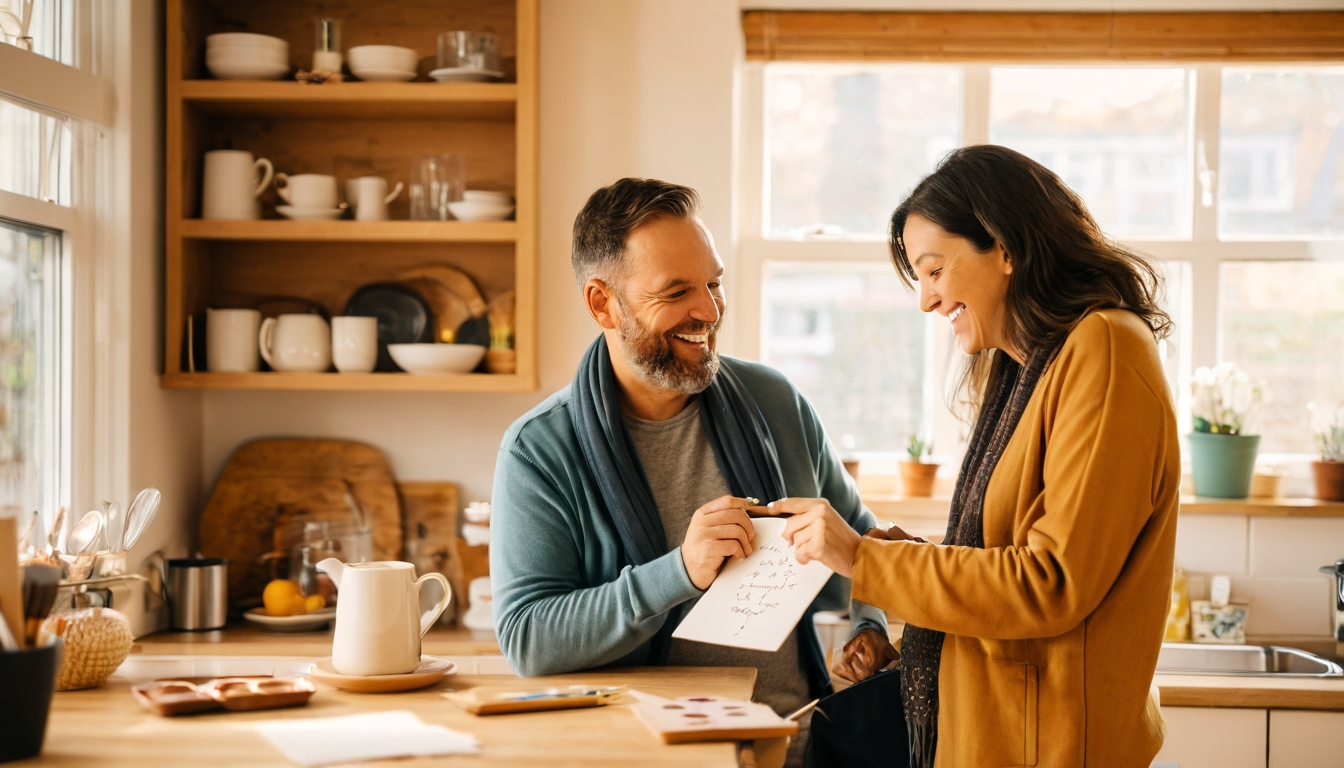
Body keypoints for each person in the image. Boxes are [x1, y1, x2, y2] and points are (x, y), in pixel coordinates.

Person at [771, 145, 1180, 767]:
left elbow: (1050, 585)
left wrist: (865, 558)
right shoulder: (1030, 367)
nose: (926, 301)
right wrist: (909, 595)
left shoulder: (1105, 348)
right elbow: (1007, 565)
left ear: (1006, 247)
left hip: (1053, 747)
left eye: (934, 270)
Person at [489, 178, 889, 766]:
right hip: (647, 756)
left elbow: (857, 537)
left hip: (799, 748)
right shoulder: (540, 449)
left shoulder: (775, 400)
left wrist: (868, 623)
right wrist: (678, 572)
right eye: (676, 291)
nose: (708, 309)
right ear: (602, 303)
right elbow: (528, 638)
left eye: (714, 283)